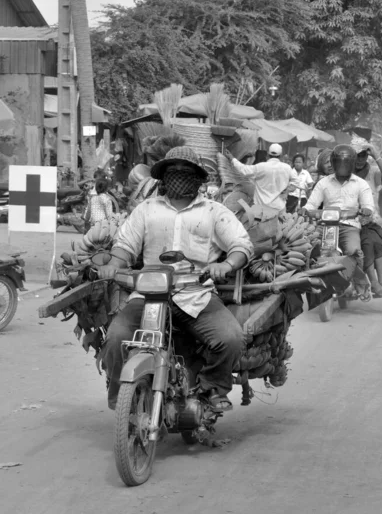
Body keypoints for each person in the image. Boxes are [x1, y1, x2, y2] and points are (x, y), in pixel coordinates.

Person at [99, 147, 253, 412]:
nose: (179, 177)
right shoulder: (146, 209)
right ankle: (120, 398)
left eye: (185, 172)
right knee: (116, 338)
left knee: (231, 338)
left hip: (196, 294)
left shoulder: (214, 211)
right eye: (173, 172)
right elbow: (126, 244)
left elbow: (241, 244)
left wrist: (226, 264)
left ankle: (212, 389)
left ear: (197, 177)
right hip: (149, 296)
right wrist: (113, 264)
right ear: (163, 177)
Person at [303, 145, 374, 266]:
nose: (342, 166)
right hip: (324, 225)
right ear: (333, 163)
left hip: (349, 226)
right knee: (307, 249)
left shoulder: (361, 184)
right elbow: (311, 204)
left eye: (345, 163)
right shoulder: (323, 183)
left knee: (354, 252)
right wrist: (304, 210)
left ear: (352, 164)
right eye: (339, 163)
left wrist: (366, 210)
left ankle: (358, 283)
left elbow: (368, 205)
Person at [352, 141, 382, 300]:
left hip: (368, 220)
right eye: (357, 155)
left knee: (379, 240)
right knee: (368, 243)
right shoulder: (345, 172)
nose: (360, 158)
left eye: (363, 154)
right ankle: (375, 284)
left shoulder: (373, 172)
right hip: (348, 221)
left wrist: (376, 155)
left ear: (367, 155)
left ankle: (381, 285)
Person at [225, 143, 296, 213]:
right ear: (280, 156)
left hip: (261, 210)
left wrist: (232, 158)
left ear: (268, 155)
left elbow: (244, 170)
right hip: (279, 208)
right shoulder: (287, 168)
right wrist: (287, 191)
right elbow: (296, 182)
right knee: (280, 224)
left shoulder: (261, 167)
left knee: (257, 223)